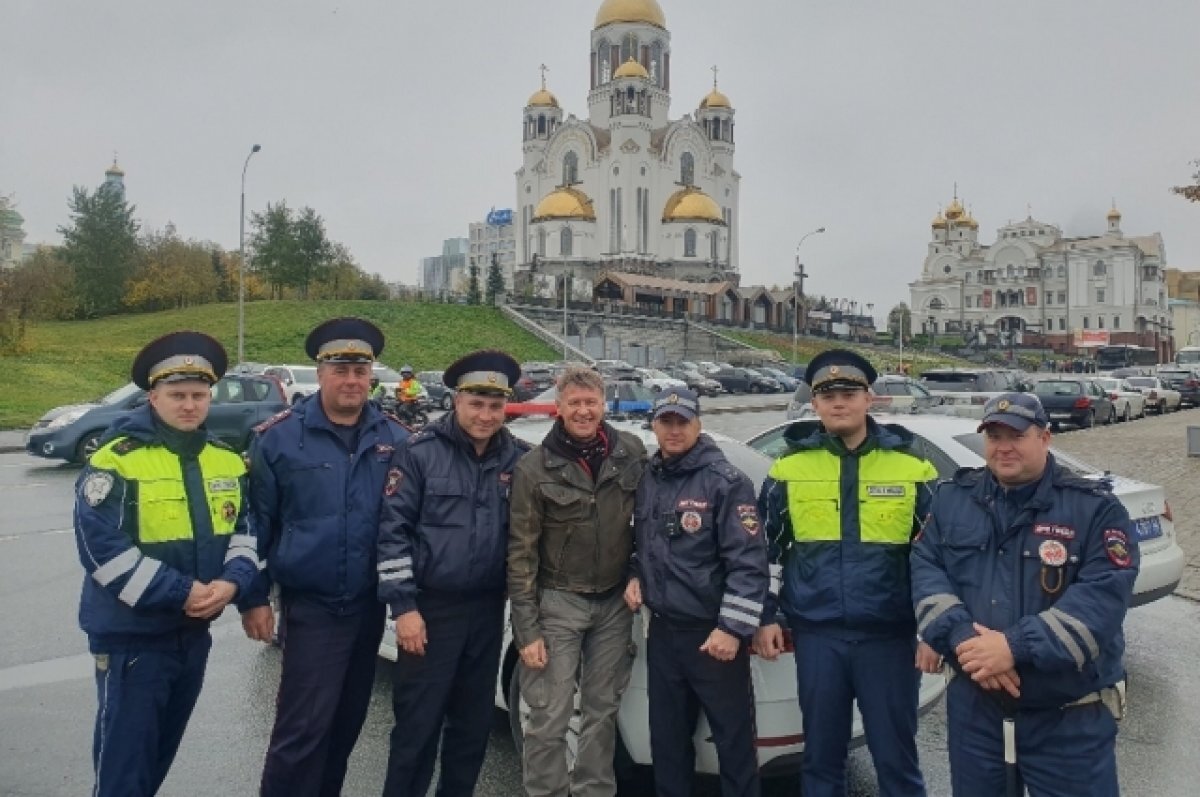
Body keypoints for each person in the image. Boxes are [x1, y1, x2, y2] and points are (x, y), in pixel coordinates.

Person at [911, 392, 1137, 796]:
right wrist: (962, 637)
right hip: (977, 715)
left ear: (1045, 438)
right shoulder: (952, 499)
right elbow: (926, 570)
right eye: (994, 436)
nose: (1004, 447)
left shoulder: (1093, 508)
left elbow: (1102, 599)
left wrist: (1013, 647)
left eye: (1016, 435)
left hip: (1068, 718)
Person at [74, 330, 259, 797]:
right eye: (177, 395)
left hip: (192, 637)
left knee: (156, 758)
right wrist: (183, 592)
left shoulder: (226, 461)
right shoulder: (115, 460)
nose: (190, 405)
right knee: (123, 768)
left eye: (199, 395)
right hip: (132, 639)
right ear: (153, 397)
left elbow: (246, 533)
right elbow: (102, 552)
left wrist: (233, 583)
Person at [754, 349, 938, 797]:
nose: (839, 402)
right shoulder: (788, 468)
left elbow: (938, 558)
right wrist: (766, 616)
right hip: (818, 639)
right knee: (821, 760)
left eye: (849, 392)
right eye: (827, 394)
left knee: (896, 758)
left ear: (869, 398)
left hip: (890, 639)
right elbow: (765, 552)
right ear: (813, 403)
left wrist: (935, 629)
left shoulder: (914, 467)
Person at [239, 317, 409, 797]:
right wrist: (254, 598)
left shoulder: (395, 438)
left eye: (361, 369)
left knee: (344, 728)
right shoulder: (278, 437)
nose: (352, 380)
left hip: (368, 606)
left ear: (372, 375)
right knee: (300, 734)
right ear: (320, 372)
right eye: (341, 369)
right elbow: (255, 522)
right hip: (311, 607)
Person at [377, 350, 529, 797]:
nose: (486, 415)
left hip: (486, 613)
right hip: (430, 612)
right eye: (476, 404)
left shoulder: (519, 460)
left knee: (471, 729)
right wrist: (404, 607)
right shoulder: (418, 453)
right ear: (456, 400)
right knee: (416, 730)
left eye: (495, 405)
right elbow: (392, 535)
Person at [508, 366, 647, 797]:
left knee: (601, 713)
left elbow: (648, 526)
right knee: (549, 715)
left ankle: (593, 791)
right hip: (557, 603)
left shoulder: (632, 451)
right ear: (560, 407)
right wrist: (526, 630)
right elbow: (521, 553)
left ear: (603, 404)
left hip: (613, 606)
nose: (584, 411)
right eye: (575, 403)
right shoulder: (533, 468)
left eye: (591, 402)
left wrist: (637, 572)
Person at [624, 387, 768, 797]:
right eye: (665, 422)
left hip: (712, 635)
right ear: (653, 425)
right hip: (665, 633)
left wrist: (732, 628)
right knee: (667, 745)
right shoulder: (648, 477)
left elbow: (748, 562)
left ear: (698, 424)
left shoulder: (725, 482)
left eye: (681, 422)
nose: (673, 430)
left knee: (734, 746)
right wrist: (635, 574)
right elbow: (643, 543)